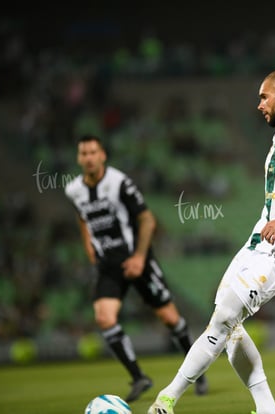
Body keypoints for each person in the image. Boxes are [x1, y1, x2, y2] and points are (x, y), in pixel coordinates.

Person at [147, 68, 275, 414]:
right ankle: (267, 410)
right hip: (257, 243)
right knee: (227, 324)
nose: (259, 104)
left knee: (224, 316)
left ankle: (166, 400)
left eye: (263, 96)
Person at [64, 134, 208, 402]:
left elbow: (147, 219)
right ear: (78, 158)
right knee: (104, 317)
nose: (88, 158)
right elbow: (82, 219)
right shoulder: (74, 190)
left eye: (93, 152)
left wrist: (140, 257)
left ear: (102, 155)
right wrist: (89, 249)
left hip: (136, 260)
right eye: (83, 153)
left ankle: (198, 372)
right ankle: (139, 377)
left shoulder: (119, 183)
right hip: (108, 265)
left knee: (170, 319)